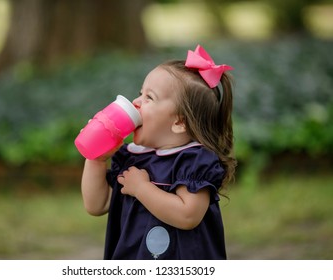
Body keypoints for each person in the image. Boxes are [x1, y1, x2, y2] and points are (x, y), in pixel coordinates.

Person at [80, 45, 237, 260]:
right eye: (140, 94)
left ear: (179, 121)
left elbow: (188, 215)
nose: (136, 102)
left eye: (149, 98)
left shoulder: (193, 161)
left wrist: (142, 189)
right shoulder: (131, 157)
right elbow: (97, 205)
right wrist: (96, 159)